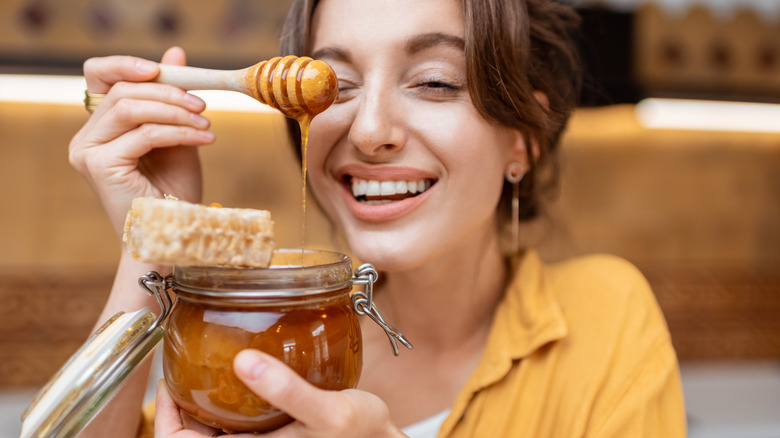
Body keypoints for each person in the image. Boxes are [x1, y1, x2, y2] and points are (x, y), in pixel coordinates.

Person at [69, 0, 687, 436]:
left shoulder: (603, 315)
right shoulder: (273, 333)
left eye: (437, 82)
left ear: (522, 139)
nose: (369, 132)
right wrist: (153, 234)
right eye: (334, 88)